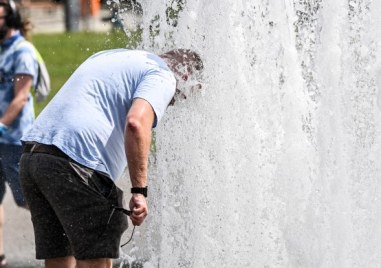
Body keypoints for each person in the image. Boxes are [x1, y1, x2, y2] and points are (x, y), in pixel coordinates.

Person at [20, 48, 203, 268]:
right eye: (183, 94)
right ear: (185, 75)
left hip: (34, 158)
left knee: (59, 257)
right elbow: (136, 123)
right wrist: (139, 191)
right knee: (96, 259)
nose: (175, 101)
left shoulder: (113, 57)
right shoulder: (162, 75)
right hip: (75, 164)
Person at [0, 0, 38, 266]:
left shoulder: (23, 51)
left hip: (14, 140)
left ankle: (63, 239)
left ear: (10, 18)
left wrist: (1, 125)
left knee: (29, 199)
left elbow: (21, 98)